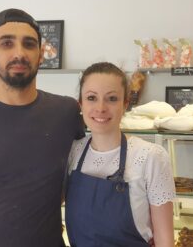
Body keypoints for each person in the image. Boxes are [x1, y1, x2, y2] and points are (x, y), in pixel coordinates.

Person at [0, 8, 84, 247]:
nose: (19, 53)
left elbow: (81, 176)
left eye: (29, 44)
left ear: (40, 55)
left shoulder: (65, 112)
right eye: (7, 43)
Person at [65, 62, 175, 247]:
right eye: (91, 97)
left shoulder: (151, 157)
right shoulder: (72, 152)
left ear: (125, 104)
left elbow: (165, 242)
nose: (101, 108)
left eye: (112, 98)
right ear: (80, 104)